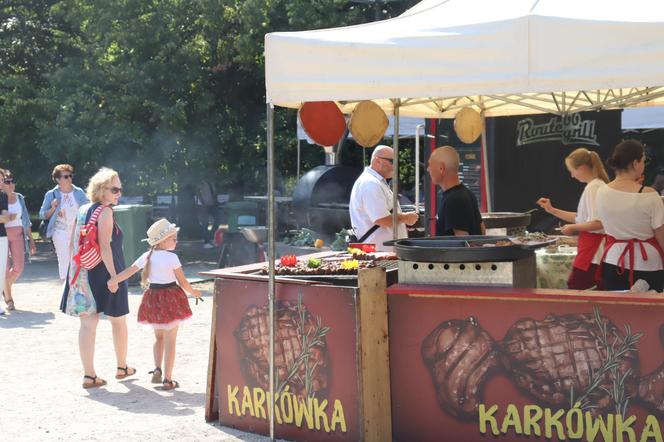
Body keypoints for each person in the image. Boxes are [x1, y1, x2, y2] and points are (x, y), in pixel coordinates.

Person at [59, 167, 135, 388]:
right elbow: (105, 248)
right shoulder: (105, 212)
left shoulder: (83, 209)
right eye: (115, 189)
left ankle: (89, 375)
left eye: (120, 189)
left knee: (88, 324)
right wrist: (115, 277)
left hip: (83, 273)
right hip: (106, 272)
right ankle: (122, 367)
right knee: (118, 320)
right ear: (102, 190)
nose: (118, 193)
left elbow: (73, 241)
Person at [108, 218, 202, 390]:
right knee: (170, 340)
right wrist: (194, 292)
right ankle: (168, 379)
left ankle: (157, 369)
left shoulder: (147, 256)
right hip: (171, 298)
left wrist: (113, 280)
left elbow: (129, 271)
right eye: (174, 239)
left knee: (158, 337)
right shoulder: (172, 258)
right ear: (164, 241)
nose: (176, 241)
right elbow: (183, 282)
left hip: (153, 298)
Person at [594, 140, 664, 291]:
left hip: (613, 261)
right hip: (647, 264)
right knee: (648, 313)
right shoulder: (650, 195)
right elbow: (661, 236)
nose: (644, 165)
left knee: (616, 312)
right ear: (635, 163)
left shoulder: (601, 191)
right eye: (643, 161)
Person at [536, 148, 609, 289]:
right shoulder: (596, 185)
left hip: (593, 250)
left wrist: (572, 228)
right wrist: (552, 210)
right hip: (592, 248)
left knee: (577, 286)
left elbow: (597, 223)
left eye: (572, 170)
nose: (572, 176)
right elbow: (581, 218)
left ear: (581, 168)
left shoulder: (593, 187)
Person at [349, 145, 418, 251]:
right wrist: (405, 218)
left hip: (381, 251)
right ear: (377, 161)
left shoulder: (375, 182)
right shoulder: (370, 184)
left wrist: (402, 222)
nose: (395, 166)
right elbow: (381, 219)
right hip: (378, 252)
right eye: (392, 161)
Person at [39, 164, 88, 281]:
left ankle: (77, 291)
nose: (69, 178)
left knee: (79, 261)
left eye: (70, 175)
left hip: (78, 232)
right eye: (65, 176)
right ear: (57, 179)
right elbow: (42, 214)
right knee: (64, 261)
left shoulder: (79, 192)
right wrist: (53, 207)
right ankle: (66, 292)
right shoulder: (51, 194)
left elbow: (87, 210)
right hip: (59, 231)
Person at [427, 146, 485, 236]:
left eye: (430, 165)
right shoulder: (467, 193)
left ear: (441, 168)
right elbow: (482, 229)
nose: (428, 169)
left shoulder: (453, 200)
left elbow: (462, 242)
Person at [2, 169, 37, 310]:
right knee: (4, 269)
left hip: (18, 235)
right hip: (2, 235)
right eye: (7, 182)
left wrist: (32, 240)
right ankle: (9, 300)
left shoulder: (20, 198)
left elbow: (26, 220)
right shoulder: (0, 197)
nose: (10, 184)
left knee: (18, 268)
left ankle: (4, 286)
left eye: (12, 181)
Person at [0, 168, 13, 315]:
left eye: (2, 179)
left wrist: (4, 217)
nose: (1, 181)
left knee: (1, 270)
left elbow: (5, 218)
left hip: (2, 236)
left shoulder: (3, 195)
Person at [197, 179, 219, 248]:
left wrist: (215, 201)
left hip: (212, 204)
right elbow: (198, 193)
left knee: (218, 220)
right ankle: (206, 242)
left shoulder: (212, 182)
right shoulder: (201, 182)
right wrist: (203, 204)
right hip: (204, 205)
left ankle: (211, 237)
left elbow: (214, 193)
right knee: (205, 223)